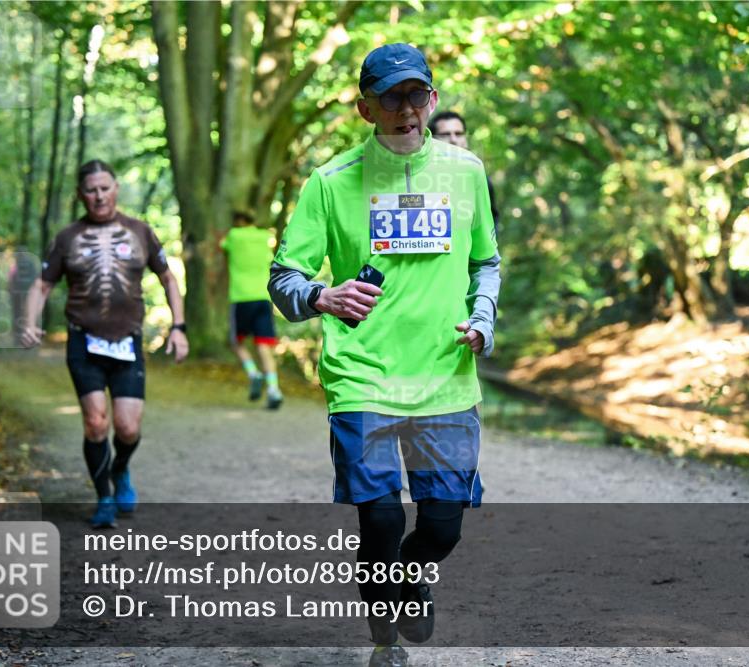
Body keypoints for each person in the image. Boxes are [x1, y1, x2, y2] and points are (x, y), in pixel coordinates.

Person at [269, 43, 500, 667]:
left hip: (446, 374)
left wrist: (483, 319)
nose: (407, 110)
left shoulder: (465, 172)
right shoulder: (331, 182)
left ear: (433, 98)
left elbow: (486, 263)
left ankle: (404, 578)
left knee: (443, 526)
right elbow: (284, 277)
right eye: (392, 98)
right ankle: (385, 638)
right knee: (377, 517)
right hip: (362, 374)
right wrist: (320, 294)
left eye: (417, 95)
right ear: (365, 108)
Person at [21, 160, 189, 528]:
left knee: (127, 428)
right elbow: (42, 285)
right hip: (84, 340)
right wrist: (30, 323)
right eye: (91, 190)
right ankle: (105, 497)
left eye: (104, 188)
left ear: (116, 189)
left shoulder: (140, 231)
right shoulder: (67, 238)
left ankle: (121, 469)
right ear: (81, 195)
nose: (98, 196)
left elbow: (168, 279)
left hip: (127, 343)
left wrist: (178, 327)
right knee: (96, 422)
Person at [221, 210, 283, 409]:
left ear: (238, 221)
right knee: (263, 345)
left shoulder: (234, 235)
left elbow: (221, 246)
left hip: (241, 297)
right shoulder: (264, 236)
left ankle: (253, 373)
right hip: (263, 297)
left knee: (236, 342)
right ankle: (274, 389)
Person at [428, 110, 500, 235]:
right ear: (433, 140)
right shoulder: (422, 177)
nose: (453, 139)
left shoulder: (479, 178)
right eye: (445, 134)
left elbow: (490, 224)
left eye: (459, 134)